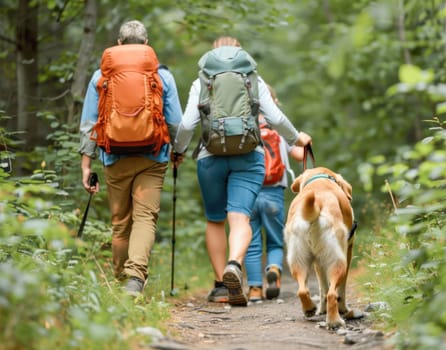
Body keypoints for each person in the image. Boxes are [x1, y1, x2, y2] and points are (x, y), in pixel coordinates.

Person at [173, 36, 312, 306]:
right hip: (248, 156)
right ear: (240, 55)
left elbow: (188, 124)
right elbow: (276, 118)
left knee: (215, 220)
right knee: (240, 218)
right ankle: (234, 263)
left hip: (209, 156)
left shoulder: (200, 81)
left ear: (212, 56)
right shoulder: (253, 80)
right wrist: (296, 139)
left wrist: (178, 150)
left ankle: (221, 287)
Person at [78, 20, 183, 296]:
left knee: (120, 222)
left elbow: (89, 123)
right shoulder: (162, 76)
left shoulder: (101, 76)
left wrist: (86, 164)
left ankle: (120, 280)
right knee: (145, 218)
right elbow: (176, 122)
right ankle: (135, 278)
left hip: (115, 157)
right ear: (146, 44)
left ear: (120, 43)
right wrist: (179, 151)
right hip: (153, 156)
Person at [245, 85, 304, 302]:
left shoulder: (244, 125)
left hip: (248, 192)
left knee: (251, 243)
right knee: (276, 241)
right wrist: (306, 144)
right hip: (274, 193)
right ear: (274, 103)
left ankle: (254, 290)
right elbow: (298, 154)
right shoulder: (278, 128)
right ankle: (274, 268)